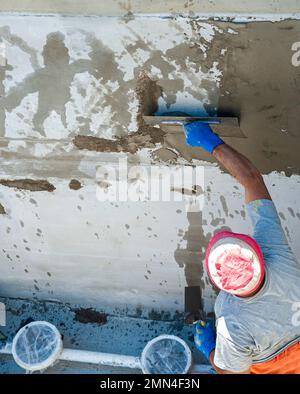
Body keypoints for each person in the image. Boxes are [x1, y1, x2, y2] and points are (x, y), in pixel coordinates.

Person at [183, 121, 300, 374]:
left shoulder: (230, 317)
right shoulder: (276, 254)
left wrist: (211, 349)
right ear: (258, 253)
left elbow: (232, 372)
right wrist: (211, 142)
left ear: (222, 286)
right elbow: (252, 180)